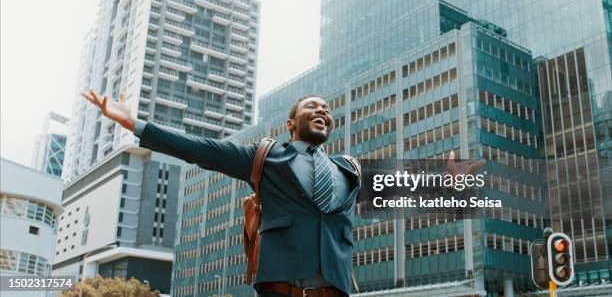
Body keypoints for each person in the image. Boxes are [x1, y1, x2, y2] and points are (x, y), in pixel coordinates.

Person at [81, 90, 483, 297]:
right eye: (313, 107)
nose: (323, 112)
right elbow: (198, 149)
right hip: (281, 286)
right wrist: (134, 123)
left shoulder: (349, 169)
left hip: (333, 288)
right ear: (293, 122)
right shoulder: (266, 157)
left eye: (327, 109)